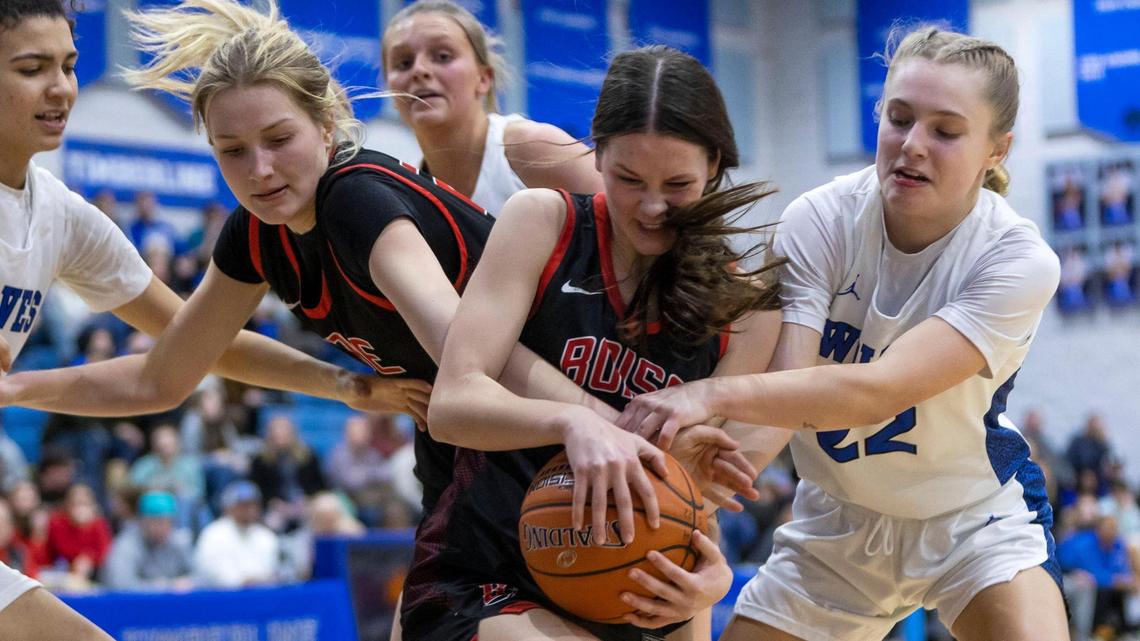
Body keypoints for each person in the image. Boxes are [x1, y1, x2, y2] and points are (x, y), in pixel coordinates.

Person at [616, 27, 1068, 641]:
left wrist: (710, 397)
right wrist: (694, 504)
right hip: (837, 524)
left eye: (945, 130)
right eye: (900, 118)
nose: (912, 145)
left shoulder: (1016, 260)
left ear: (997, 149)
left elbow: (878, 390)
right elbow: (790, 392)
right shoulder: (822, 218)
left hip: (972, 521)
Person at [427, 45, 784, 641]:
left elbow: (694, 493)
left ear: (715, 166)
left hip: (634, 577)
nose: (651, 207)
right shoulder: (542, 222)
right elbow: (452, 406)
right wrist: (573, 422)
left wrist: (711, 580)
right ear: (596, 151)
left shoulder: (743, 306)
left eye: (678, 184)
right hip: (494, 561)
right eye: (627, 179)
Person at [382, 0, 602, 215]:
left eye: (442, 56)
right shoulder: (405, 191)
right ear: (387, 89)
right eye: (403, 63)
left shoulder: (530, 147)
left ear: (484, 78)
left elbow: (625, 218)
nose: (419, 70)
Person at [101, 490, 194, 591]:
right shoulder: (127, 544)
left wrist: (188, 582)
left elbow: (203, 577)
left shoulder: (179, 540)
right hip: (135, 605)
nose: (160, 527)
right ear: (142, 521)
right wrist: (156, 587)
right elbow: (119, 583)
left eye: (165, 521)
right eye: (154, 521)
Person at [192, 480, 278, 588]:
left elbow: (270, 573)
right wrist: (246, 581)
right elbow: (218, 576)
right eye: (244, 505)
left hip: (260, 597)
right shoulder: (213, 534)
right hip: (222, 599)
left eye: (254, 504)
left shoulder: (266, 536)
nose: (250, 509)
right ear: (229, 507)